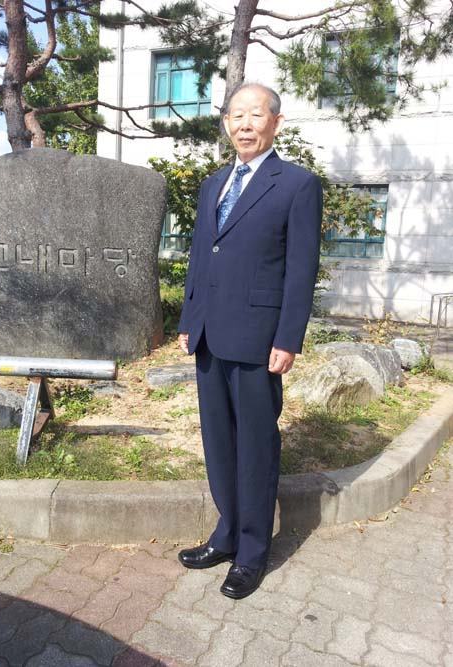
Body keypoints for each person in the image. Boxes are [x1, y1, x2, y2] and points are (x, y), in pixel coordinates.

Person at [177, 82, 323, 599]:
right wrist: (189, 319)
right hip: (211, 335)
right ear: (226, 123)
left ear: (275, 122)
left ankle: (255, 550)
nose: (243, 124)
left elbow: (301, 269)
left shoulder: (296, 184)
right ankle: (226, 533)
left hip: (261, 340)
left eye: (254, 115)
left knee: (257, 446)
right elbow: (201, 256)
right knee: (218, 442)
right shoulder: (214, 182)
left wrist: (288, 337)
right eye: (235, 115)